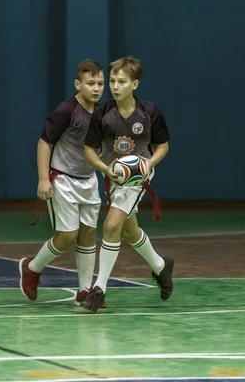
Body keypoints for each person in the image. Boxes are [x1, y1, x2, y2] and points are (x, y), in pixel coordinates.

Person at [81, 56, 174, 313]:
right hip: (113, 176)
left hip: (137, 178)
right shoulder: (103, 114)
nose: (114, 85)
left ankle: (98, 290)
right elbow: (89, 150)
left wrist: (148, 164)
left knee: (111, 225)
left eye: (121, 81)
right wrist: (106, 169)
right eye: (112, 80)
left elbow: (163, 146)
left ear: (134, 84)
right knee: (129, 230)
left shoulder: (149, 113)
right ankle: (161, 267)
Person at [19, 59, 106, 305]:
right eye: (91, 83)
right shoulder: (66, 110)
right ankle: (32, 267)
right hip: (63, 180)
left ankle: (84, 290)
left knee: (88, 233)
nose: (96, 88)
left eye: (100, 83)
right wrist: (43, 179)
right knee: (67, 235)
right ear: (78, 84)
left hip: (89, 180)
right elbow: (44, 143)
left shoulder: (101, 113)